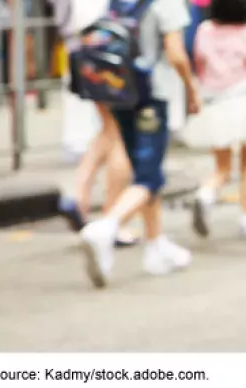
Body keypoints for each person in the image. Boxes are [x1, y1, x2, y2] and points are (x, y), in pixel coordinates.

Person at [80, 0, 202, 288]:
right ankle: (106, 227)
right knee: (149, 177)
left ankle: (156, 244)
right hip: (151, 96)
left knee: (142, 169)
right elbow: (177, 54)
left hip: (120, 92)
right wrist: (191, 88)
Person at [48, 0, 139, 248]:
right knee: (120, 134)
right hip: (114, 60)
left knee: (107, 130)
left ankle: (78, 197)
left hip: (86, 56)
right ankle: (112, 220)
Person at [184, 0, 246, 240]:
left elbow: (199, 64)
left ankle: (206, 193)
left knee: (222, 167)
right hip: (245, 101)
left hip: (215, 102)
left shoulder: (204, 31)